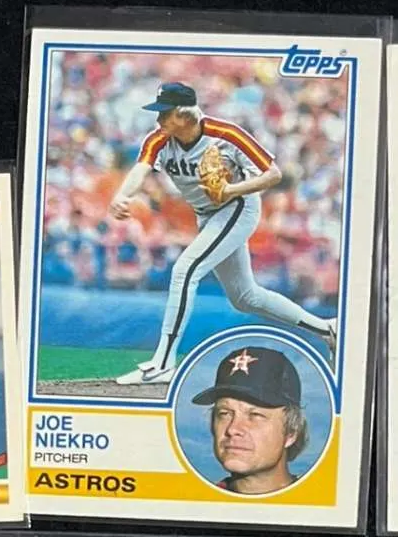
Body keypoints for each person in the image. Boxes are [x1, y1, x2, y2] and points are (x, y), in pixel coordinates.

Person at [109, 82, 337, 386]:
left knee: (184, 271)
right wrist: (123, 195)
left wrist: (232, 189)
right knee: (245, 297)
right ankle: (327, 330)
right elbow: (142, 168)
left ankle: (162, 363)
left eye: (165, 112)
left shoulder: (226, 134)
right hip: (206, 215)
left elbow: (274, 174)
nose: (159, 119)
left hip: (237, 207)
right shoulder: (159, 138)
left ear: (184, 114)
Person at [191, 346, 309, 494]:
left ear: (291, 433)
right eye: (224, 413)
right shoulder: (194, 503)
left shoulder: (319, 503)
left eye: (255, 415)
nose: (232, 429)